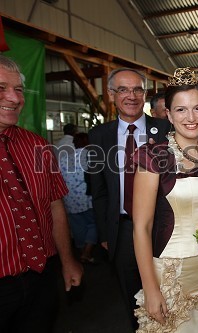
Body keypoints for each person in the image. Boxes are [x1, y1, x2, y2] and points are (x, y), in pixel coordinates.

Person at [132, 68, 198, 332]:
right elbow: (141, 227)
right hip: (171, 274)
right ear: (168, 114)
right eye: (181, 110)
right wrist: (151, 288)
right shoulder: (153, 156)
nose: (191, 117)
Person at [0, 55, 83, 332]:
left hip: (41, 277)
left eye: (19, 89)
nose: (14, 98)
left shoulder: (37, 145)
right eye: (1, 88)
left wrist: (68, 260)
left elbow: (55, 204)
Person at [87, 67, 170, 329]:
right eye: (123, 89)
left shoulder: (165, 129)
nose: (131, 96)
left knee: (170, 291)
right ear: (112, 94)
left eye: (137, 89)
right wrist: (104, 233)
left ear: (144, 93)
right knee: (134, 302)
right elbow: (98, 190)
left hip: (164, 227)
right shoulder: (100, 136)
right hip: (122, 230)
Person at [59, 132, 97, 264]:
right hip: (88, 200)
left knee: (78, 227)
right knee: (94, 224)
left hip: (70, 200)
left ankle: (81, 252)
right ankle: (87, 252)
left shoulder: (64, 159)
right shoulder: (91, 157)